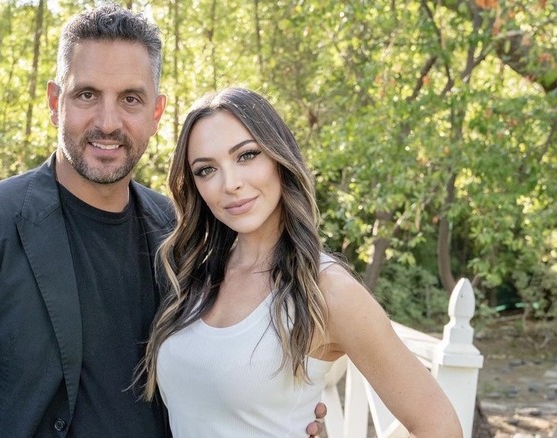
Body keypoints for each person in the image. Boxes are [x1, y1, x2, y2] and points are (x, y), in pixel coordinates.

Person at [0, 5, 326, 437]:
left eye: (130, 99)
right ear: (55, 102)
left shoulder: (186, 232)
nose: (107, 122)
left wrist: (288, 416)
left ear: (156, 114)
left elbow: (233, 359)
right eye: (87, 95)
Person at [137, 87, 463, 437]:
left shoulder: (327, 290)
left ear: (279, 157)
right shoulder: (194, 274)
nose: (230, 184)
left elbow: (441, 426)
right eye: (206, 170)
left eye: (246, 156)